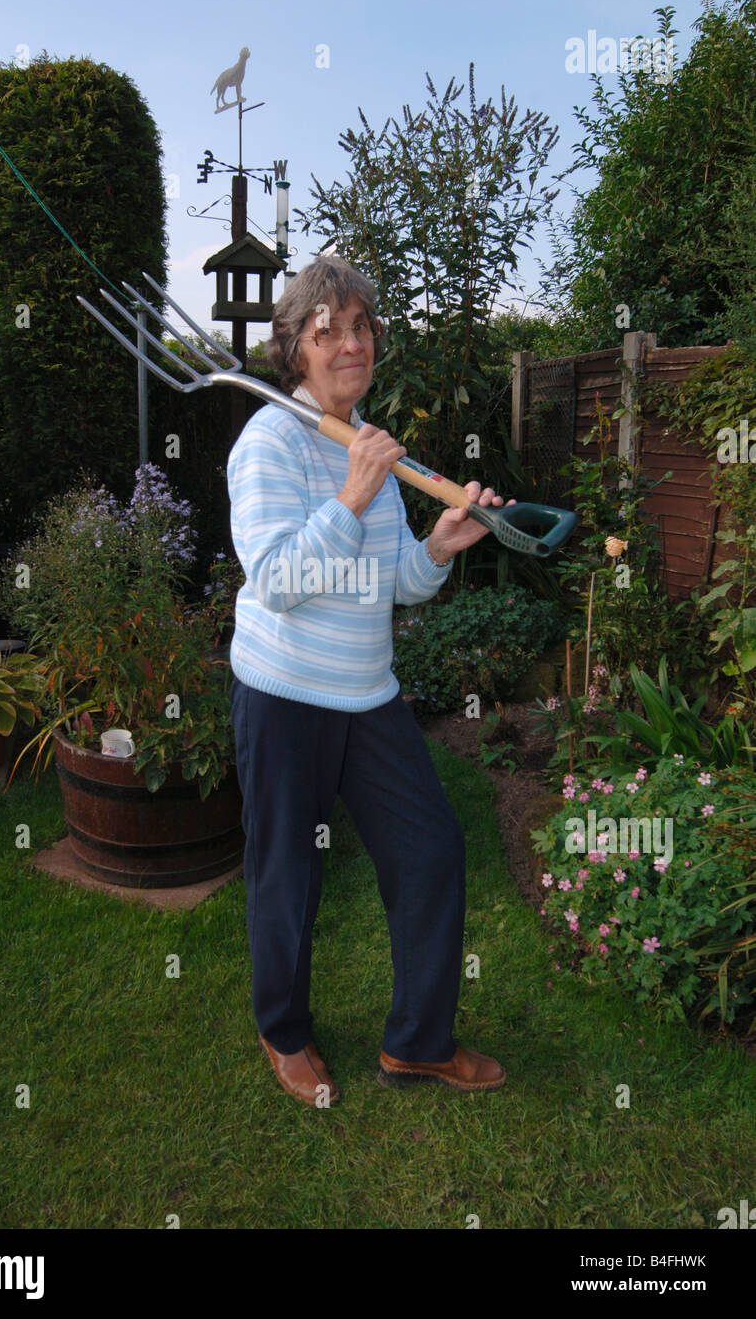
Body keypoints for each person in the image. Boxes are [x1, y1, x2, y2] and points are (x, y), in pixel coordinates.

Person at [226, 254, 514, 1107]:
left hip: (367, 692)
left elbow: (389, 583)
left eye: (361, 328)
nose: (350, 344)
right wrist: (349, 500)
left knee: (429, 851)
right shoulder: (270, 442)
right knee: (287, 872)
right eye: (330, 331)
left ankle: (417, 1044)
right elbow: (276, 580)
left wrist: (437, 547)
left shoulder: (371, 446)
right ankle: (283, 1032)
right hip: (284, 695)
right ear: (297, 349)